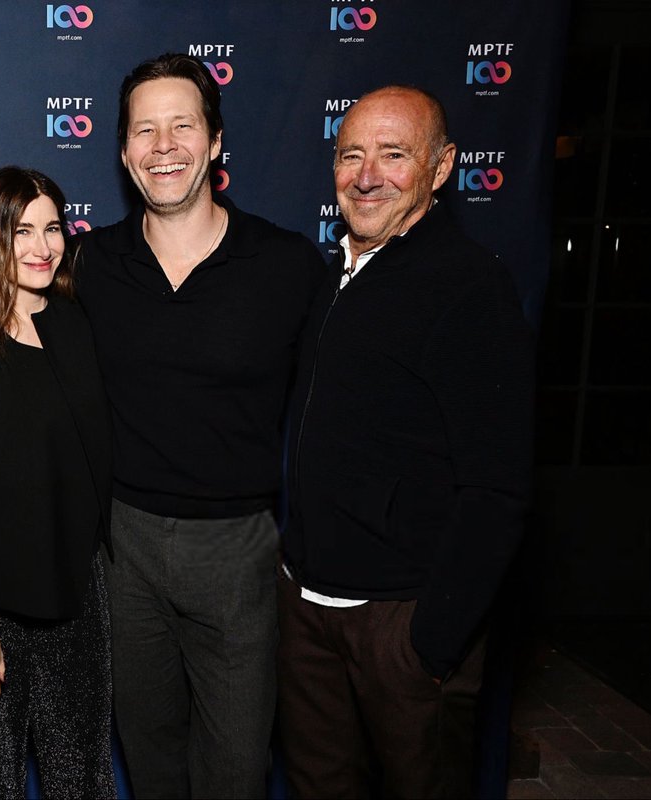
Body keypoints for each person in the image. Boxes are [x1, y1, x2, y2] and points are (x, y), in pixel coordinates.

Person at [73, 53, 326, 798]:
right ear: (123, 152)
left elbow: (334, 410)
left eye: (183, 125)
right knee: (149, 757)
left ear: (216, 142)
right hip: (125, 547)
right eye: (144, 130)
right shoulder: (89, 265)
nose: (164, 145)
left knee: (237, 767)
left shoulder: (286, 266)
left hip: (239, 550)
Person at [278, 85, 535, 799]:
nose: (367, 175)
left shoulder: (468, 286)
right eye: (350, 154)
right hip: (308, 612)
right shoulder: (336, 275)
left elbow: (499, 487)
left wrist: (431, 643)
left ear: (442, 167)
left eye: (394, 155)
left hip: (401, 622)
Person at [0, 167, 115, 798]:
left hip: (77, 602)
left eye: (53, 228)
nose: (43, 246)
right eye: (21, 230)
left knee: (81, 782)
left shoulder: (78, 327)